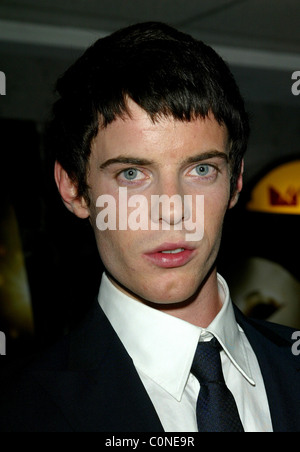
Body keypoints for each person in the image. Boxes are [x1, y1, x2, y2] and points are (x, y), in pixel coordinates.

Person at [0, 22, 299, 433]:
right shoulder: (18, 408)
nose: (172, 210)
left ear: (235, 183)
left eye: (201, 169)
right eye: (131, 175)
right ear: (74, 189)